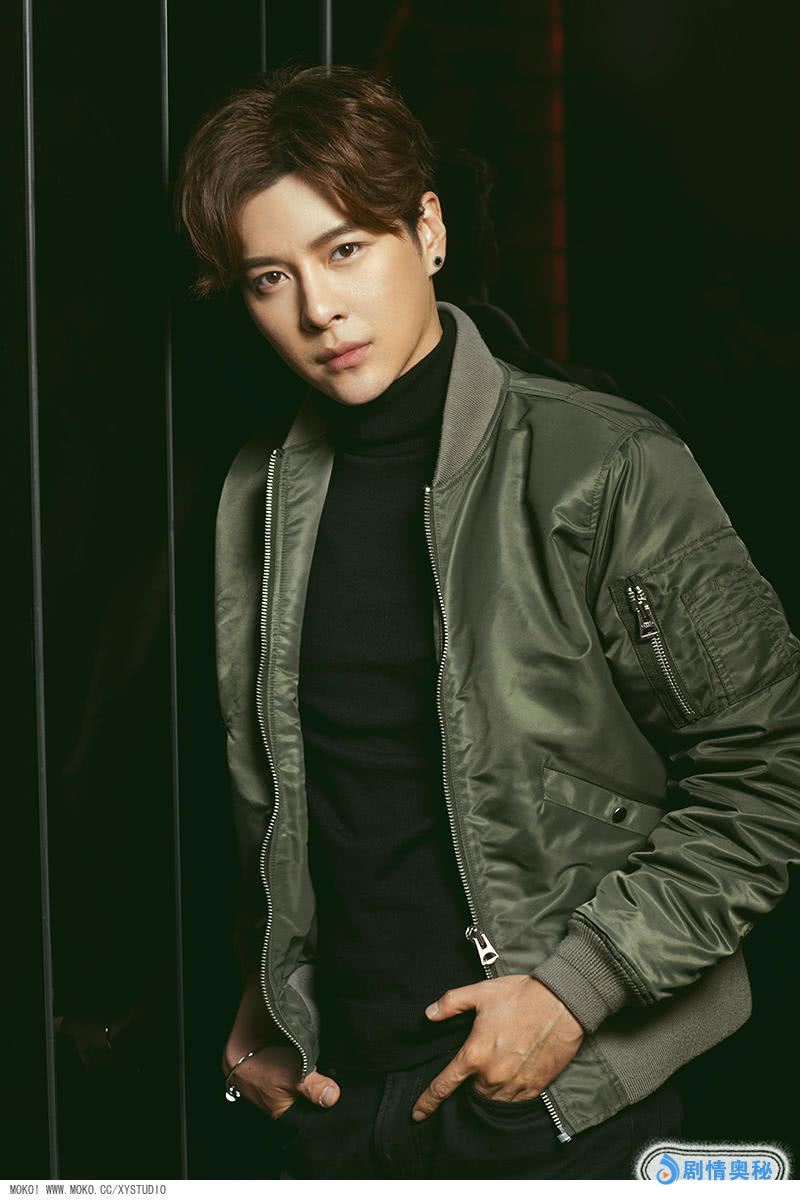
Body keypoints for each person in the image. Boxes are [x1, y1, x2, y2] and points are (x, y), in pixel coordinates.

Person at [174, 64, 800, 1180]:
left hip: (556, 1102)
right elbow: (302, 795)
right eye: (271, 276)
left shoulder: (603, 464)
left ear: (427, 230)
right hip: (333, 1107)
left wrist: (576, 989)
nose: (317, 310)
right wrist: (268, 998)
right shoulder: (255, 494)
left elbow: (769, 767)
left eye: (344, 250)